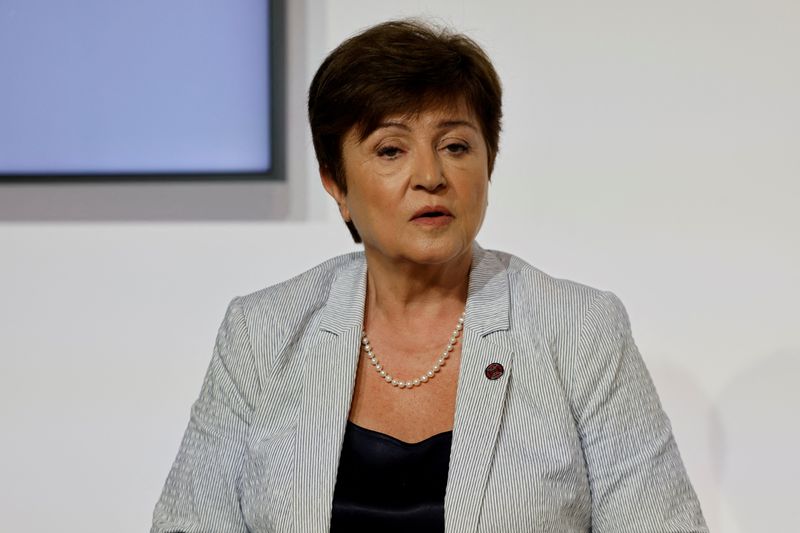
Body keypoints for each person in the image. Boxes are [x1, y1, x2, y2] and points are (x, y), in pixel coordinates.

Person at [151, 19, 708, 532]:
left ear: (488, 165)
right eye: (391, 149)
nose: (431, 176)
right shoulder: (262, 334)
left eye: (456, 146)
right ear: (335, 183)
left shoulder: (580, 330)